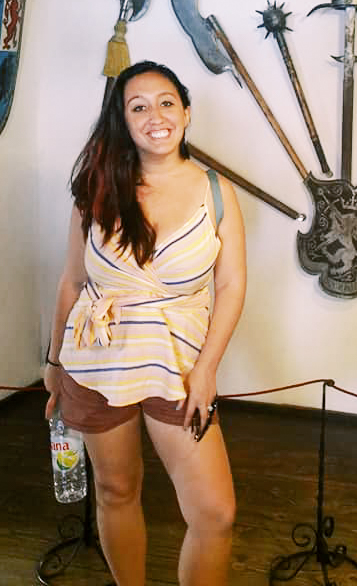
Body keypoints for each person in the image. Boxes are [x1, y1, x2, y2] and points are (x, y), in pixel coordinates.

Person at [42, 61, 246, 586]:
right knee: (115, 490)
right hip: (96, 361)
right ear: (123, 121)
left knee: (214, 512)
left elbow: (230, 287)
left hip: (178, 364)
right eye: (138, 106)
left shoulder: (217, 192)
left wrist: (207, 370)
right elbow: (72, 281)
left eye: (166, 102)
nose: (155, 115)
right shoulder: (96, 189)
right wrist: (52, 361)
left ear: (185, 111)